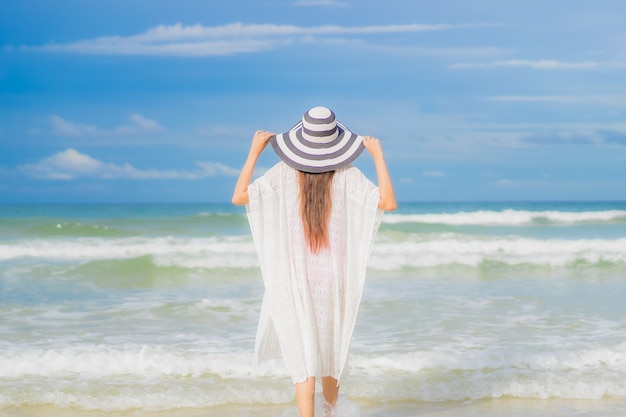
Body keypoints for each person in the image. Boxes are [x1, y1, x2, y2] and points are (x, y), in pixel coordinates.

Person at [232, 106, 396, 417]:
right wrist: (377, 155)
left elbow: (239, 196)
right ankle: (331, 414)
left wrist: (254, 152)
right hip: (333, 279)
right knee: (329, 352)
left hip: (292, 279)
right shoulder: (347, 175)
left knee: (302, 354)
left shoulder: (283, 173)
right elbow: (388, 202)